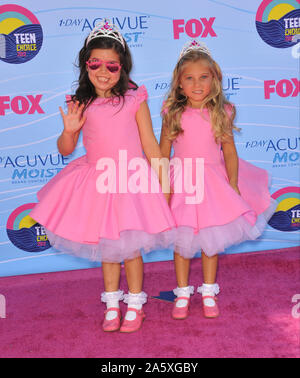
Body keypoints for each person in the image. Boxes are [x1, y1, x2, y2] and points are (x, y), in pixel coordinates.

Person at [30, 20, 175, 333]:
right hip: (98, 182)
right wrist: (69, 130)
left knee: (131, 248)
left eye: (112, 65)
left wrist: (164, 179)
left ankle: (135, 304)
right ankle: (112, 304)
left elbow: (150, 143)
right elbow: (65, 148)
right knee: (108, 249)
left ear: (122, 68)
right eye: (96, 63)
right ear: (86, 65)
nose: (103, 71)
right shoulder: (80, 103)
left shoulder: (135, 99)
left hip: (132, 182)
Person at [159, 40, 277, 319]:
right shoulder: (171, 113)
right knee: (182, 242)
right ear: (179, 84)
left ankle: (209, 291)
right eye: (189, 78)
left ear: (215, 80)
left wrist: (233, 183)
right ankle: (183, 292)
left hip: (212, 182)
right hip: (182, 183)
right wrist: (163, 185)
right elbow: (162, 154)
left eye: (204, 77)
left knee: (211, 240)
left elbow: (230, 151)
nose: (197, 84)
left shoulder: (221, 112)